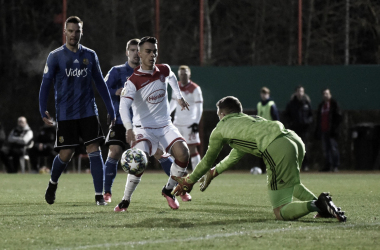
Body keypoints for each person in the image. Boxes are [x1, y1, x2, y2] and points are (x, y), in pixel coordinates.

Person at [172, 96, 347, 222]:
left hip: (276, 147)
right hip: (294, 140)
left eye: (219, 115)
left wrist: (190, 180)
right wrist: (214, 172)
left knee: (280, 211)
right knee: (292, 185)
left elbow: (207, 159)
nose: (219, 118)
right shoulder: (251, 120)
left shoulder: (220, 128)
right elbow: (236, 154)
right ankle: (326, 208)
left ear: (222, 114)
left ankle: (317, 204)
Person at [39, 16, 116, 206]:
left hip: (89, 111)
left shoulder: (90, 55)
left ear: (82, 32)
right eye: (71, 31)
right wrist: (42, 109)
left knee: (94, 149)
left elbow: (100, 82)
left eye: (77, 31)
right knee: (66, 153)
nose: (74, 34)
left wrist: (111, 109)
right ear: (65, 32)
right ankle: (52, 183)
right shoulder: (55, 56)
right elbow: (46, 84)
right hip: (66, 114)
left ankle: (99, 196)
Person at [115, 36, 191, 212]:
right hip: (143, 130)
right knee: (138, 162)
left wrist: (178, 97)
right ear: (140, 54)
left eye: (154, 51)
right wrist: (128, 128)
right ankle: (125, 200)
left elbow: (172, 78)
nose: (152, 55)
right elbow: (123, 106)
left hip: (165, 126)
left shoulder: (163, 69)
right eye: (148, 51)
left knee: (184, 154)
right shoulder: (133, 81)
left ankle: (168, 190)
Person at [103, 38, 175, 203]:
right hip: (121, 122)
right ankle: (107, 193)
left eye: (138, 50)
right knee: (114, 151)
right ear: (127, 52)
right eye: (132, 50)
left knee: (159, 153)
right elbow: (103, 88)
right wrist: (116, 93)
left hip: (144, 124)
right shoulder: (116, 71)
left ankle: (179, 185)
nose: (136, 53)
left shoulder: (151, 72)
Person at [169, 65, 203, 170]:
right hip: (177, 123)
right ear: (178, 75)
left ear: (190, 74)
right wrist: (167, 114)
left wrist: (196, 122)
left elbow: (199, 107)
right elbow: (173, 103)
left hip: (190, 123)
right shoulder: (176, 86)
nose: (183, 76)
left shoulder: (195, 89)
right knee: (174, 149)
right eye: (181, 74)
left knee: (192, 149)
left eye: (185, 74)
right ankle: (178, 172)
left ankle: (198, 172)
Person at [284, 85, 313, 171]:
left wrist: (307, 122)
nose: (300, 93)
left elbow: (311, 115)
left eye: (301, 91)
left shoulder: (307, 103)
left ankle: (305, 165)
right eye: (298, 91)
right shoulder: (291, 103)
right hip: (294, 129)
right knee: (294, 147)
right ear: (296, 92)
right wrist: (290, 123)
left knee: (304, 147)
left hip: (304, 130)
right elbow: (286, 115)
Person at [315, 88, 342, 172]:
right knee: (325, 150)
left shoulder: (334, 104)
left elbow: (339, 117)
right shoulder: (321, 106)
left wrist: (334, 129)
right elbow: (319, 119)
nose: (325, 95)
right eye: (324, 94)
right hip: (324, 131)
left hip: (331, 132)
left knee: (333, 149)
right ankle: (328, 166)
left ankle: (335, 166)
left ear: (330, 94)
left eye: (327, 93)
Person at [256, 86, 279, 173]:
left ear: (268, 94)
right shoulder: (259, 105)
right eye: (262, 93)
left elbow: (276, 119)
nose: (263, 95)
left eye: (265, 93)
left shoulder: (271, 105)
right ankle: (263, 169)